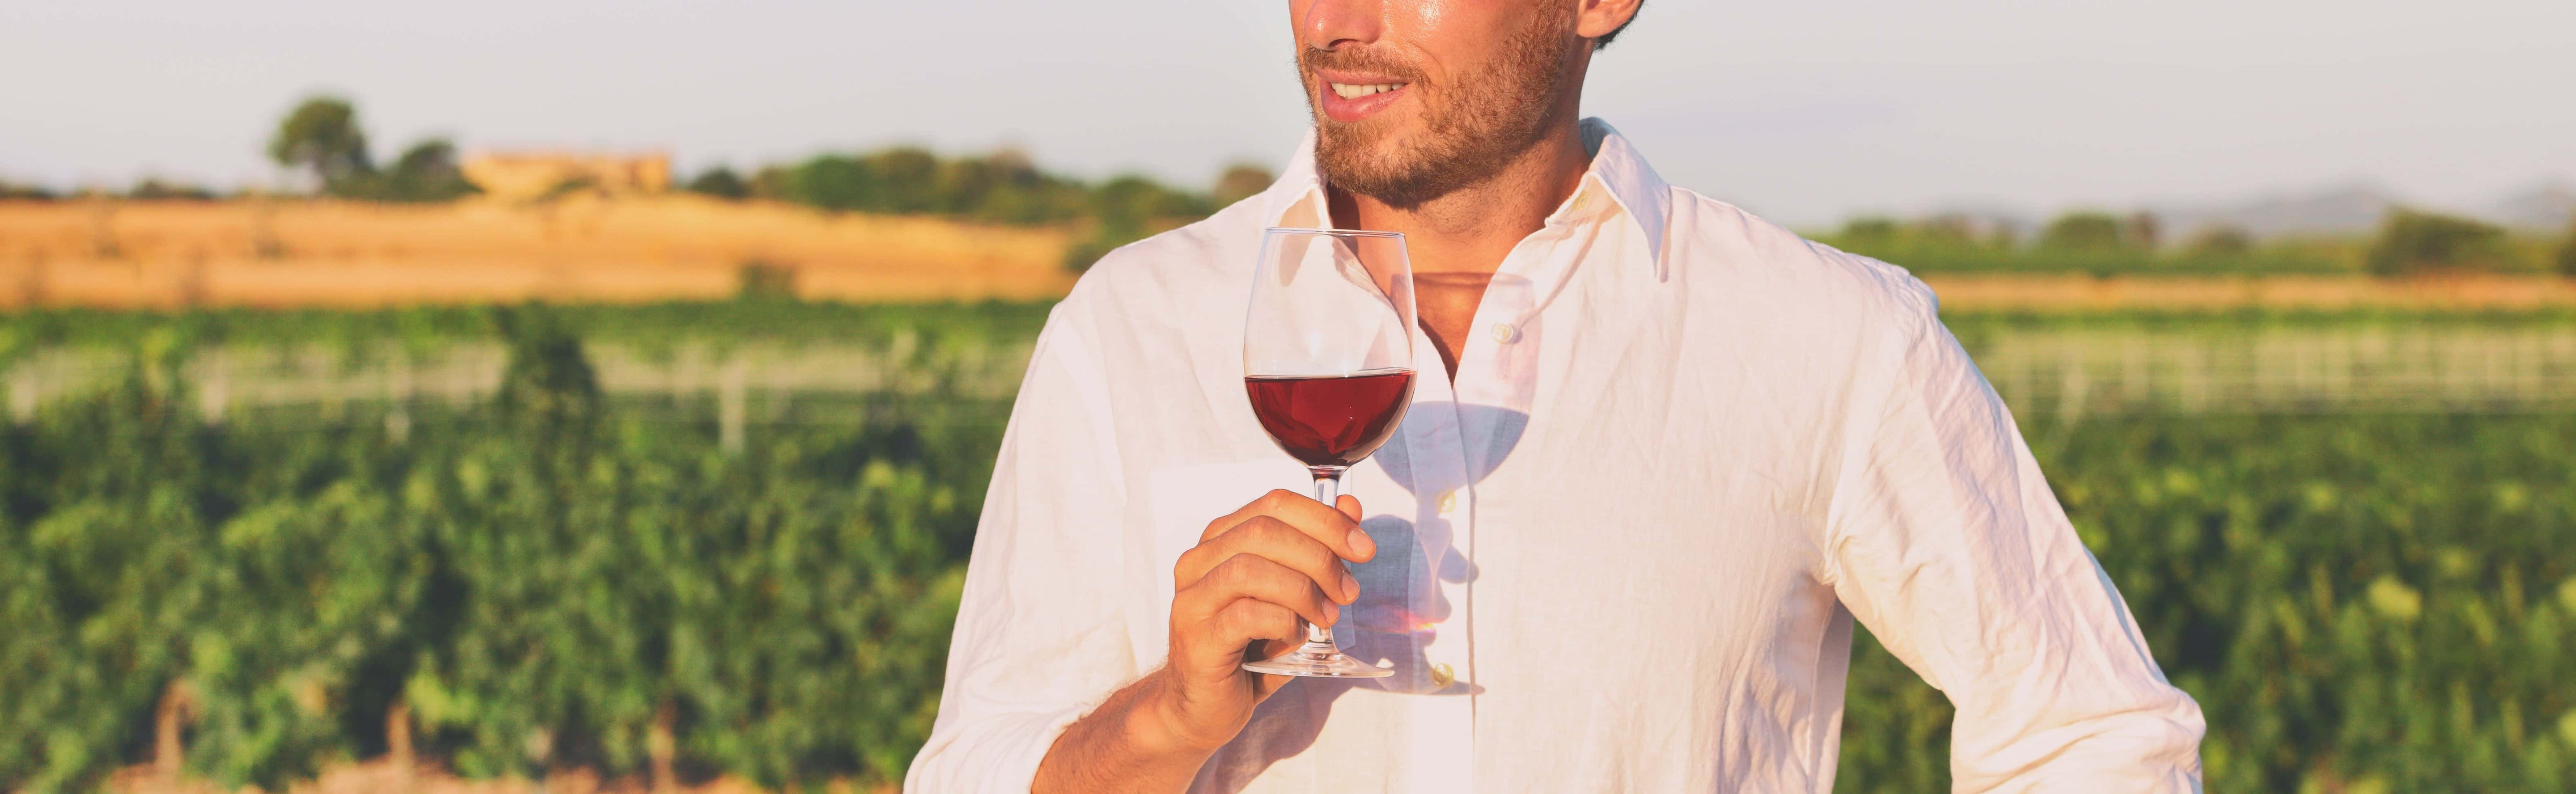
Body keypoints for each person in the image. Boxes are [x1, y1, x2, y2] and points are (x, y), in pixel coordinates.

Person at [906, 0, 2207, 791]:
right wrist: (1163, 723)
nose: (1334, 22)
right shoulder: (1132, 327)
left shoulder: (1832, 336)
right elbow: (972, 774)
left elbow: (2091, 733)